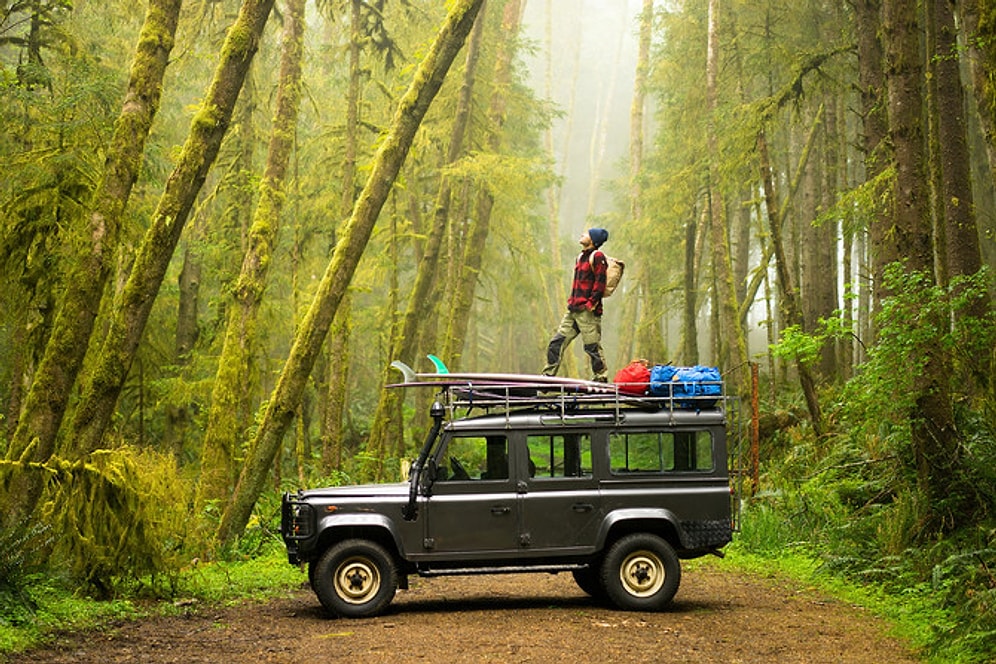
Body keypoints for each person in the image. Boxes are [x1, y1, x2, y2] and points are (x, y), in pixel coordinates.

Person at [543, 228, 609, 382]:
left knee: (592, 347)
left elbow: (600, 282)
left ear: (593, 240)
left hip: (588, 312)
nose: (582, 234)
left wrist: (591, 303)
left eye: (586, 234)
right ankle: (547, 377)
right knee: (556, 343)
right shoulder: (580, 257)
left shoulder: (597, 256)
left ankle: (601, 378)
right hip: (573, 310)